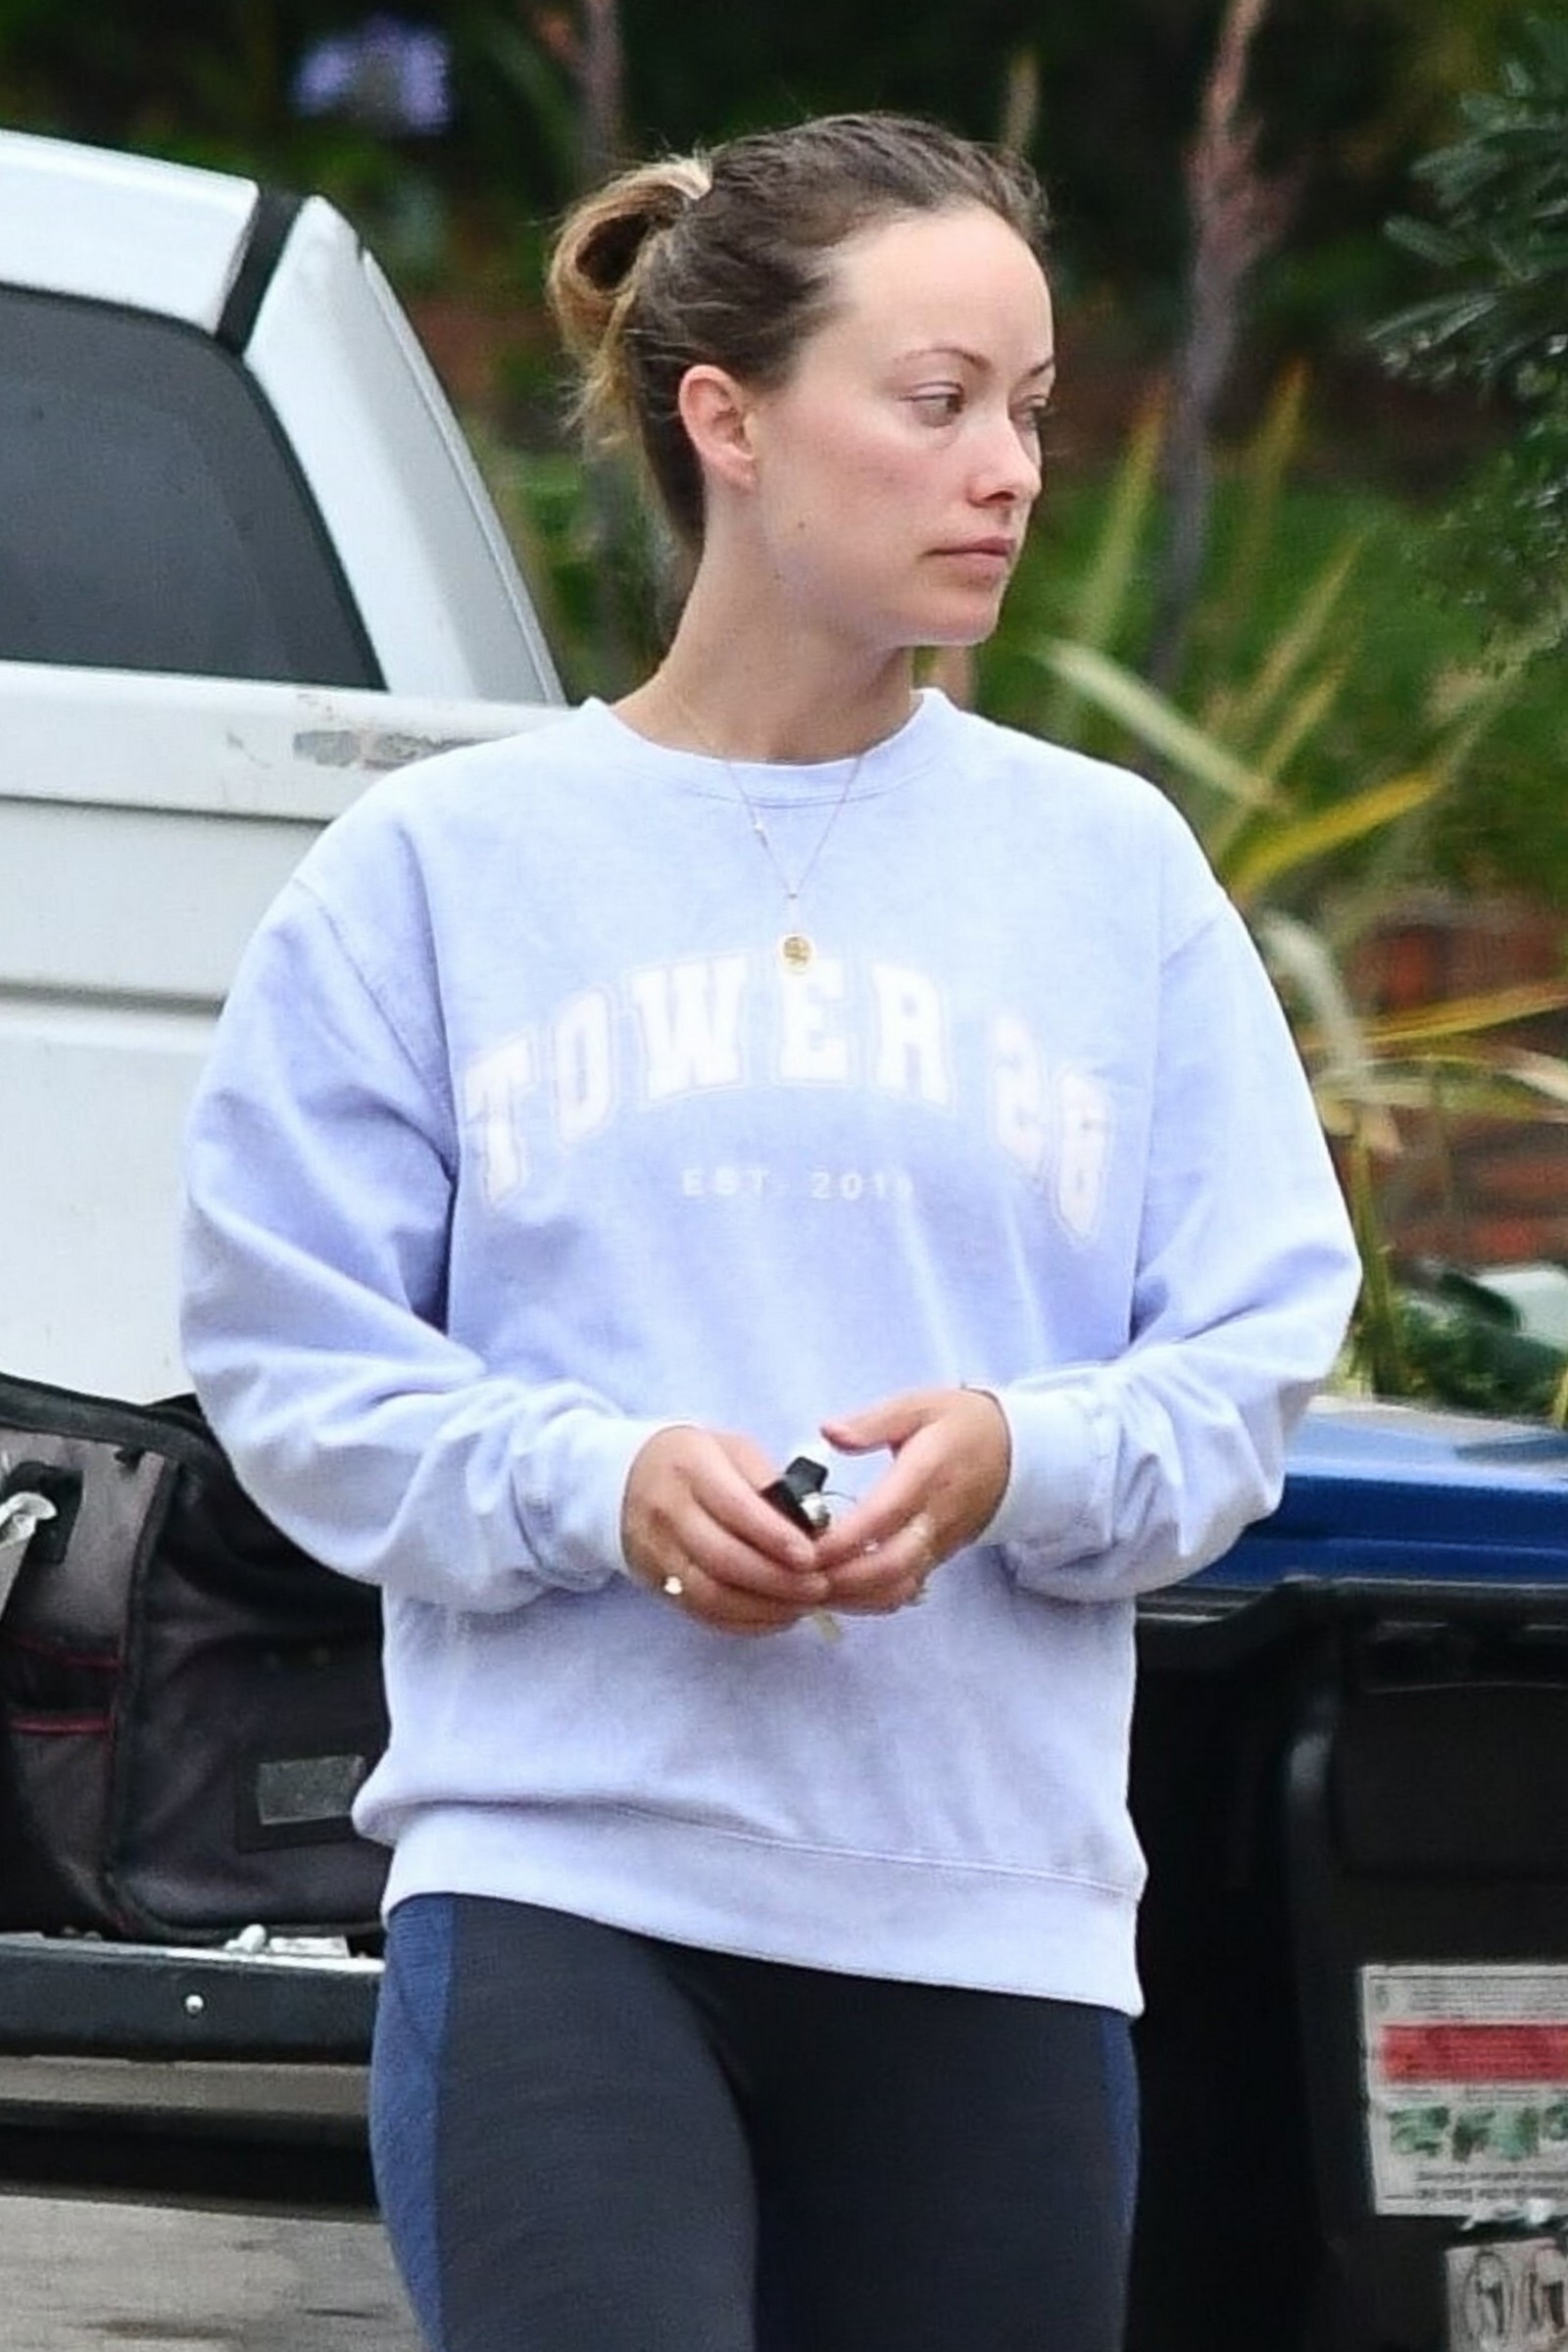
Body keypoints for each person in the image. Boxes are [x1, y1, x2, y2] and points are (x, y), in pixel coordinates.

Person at [179, 110, 1361, 2352]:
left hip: (987, 1920)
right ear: (723, 420)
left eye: (1028, 410)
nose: (1006, 470)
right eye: (935, 401)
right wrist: (600, 1484)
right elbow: (292, 1363)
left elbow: (1243, 1356)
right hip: (560, 1889)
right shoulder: (437, 876)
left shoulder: (1109, 877)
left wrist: (1014, 1455)